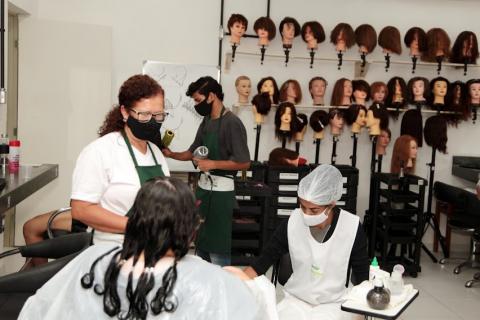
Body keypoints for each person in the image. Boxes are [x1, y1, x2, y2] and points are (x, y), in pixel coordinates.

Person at [19, 177, 278, 320]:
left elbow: (39, 311)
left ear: (136, 220)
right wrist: (246, 284)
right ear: (189, 229)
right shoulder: (208, 282)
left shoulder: (94, 259)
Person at [244, 164, 369, 320]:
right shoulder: (291, 223)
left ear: (331, 204)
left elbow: (363, 278)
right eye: (303, 207)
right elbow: (261, 264)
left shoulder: (351, 227)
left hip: (333, 304)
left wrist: (361, 312)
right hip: (296, 301)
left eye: (314, 210)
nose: (306, 214)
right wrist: (233, 282)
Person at [70, 74, 170, 245]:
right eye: (144, 114)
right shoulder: (100, 151)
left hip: (151, 246)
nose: (152, 122)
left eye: (158, 115)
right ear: (125, 112)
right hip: (113, 248)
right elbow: (81, 210)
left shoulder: (156, 153)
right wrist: (134, 226)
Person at [162, 76, 250, 266]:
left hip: (221, 197)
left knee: (218, 248)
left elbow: (244, 163)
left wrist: (213, 164)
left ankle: (220, 286)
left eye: (198, 100)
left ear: (211, 96)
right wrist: (170, 154)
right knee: (201, 245)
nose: (196, 105)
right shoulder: (206, 121)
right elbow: (192, 151)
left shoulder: (232, 123)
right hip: (203, 191)